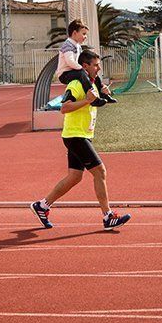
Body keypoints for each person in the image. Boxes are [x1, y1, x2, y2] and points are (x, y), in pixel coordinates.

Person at [31, 49, 131, 231]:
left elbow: (94, 99)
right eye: (95, 65)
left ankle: (42, 206)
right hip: (75, 135)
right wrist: (86, 100)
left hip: (83, 135)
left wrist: (104, 94)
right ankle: (108, 216)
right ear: (85, 66)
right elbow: (64, 108)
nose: (99, 68)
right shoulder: (76, 84)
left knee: (75, 177)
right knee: (100, 172)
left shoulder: (92, 84)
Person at [57, 18, 117, 108]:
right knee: (82, 73)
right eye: (84, 34)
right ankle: (92, 98)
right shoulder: (68, 45)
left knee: (93, 74)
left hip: (74, 71)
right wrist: (81, 69)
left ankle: (101, 93)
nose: (85, 36)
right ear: (74, 33)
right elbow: (70, 61)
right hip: (65, 74)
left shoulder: (77, 45)